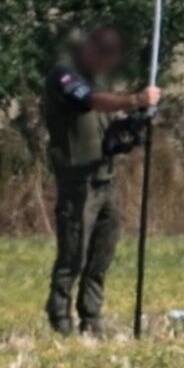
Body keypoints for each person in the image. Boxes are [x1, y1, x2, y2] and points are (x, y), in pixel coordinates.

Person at [44, 25, 162, 336]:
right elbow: (90, 102)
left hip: (106, 178)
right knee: (74, 255)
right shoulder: (64, 76)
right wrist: (135, 99)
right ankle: (61, 320)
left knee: (102, 254)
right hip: (78, 181)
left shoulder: (102, 83)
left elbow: (111, 129)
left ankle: (92, 318)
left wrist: (135, 123)